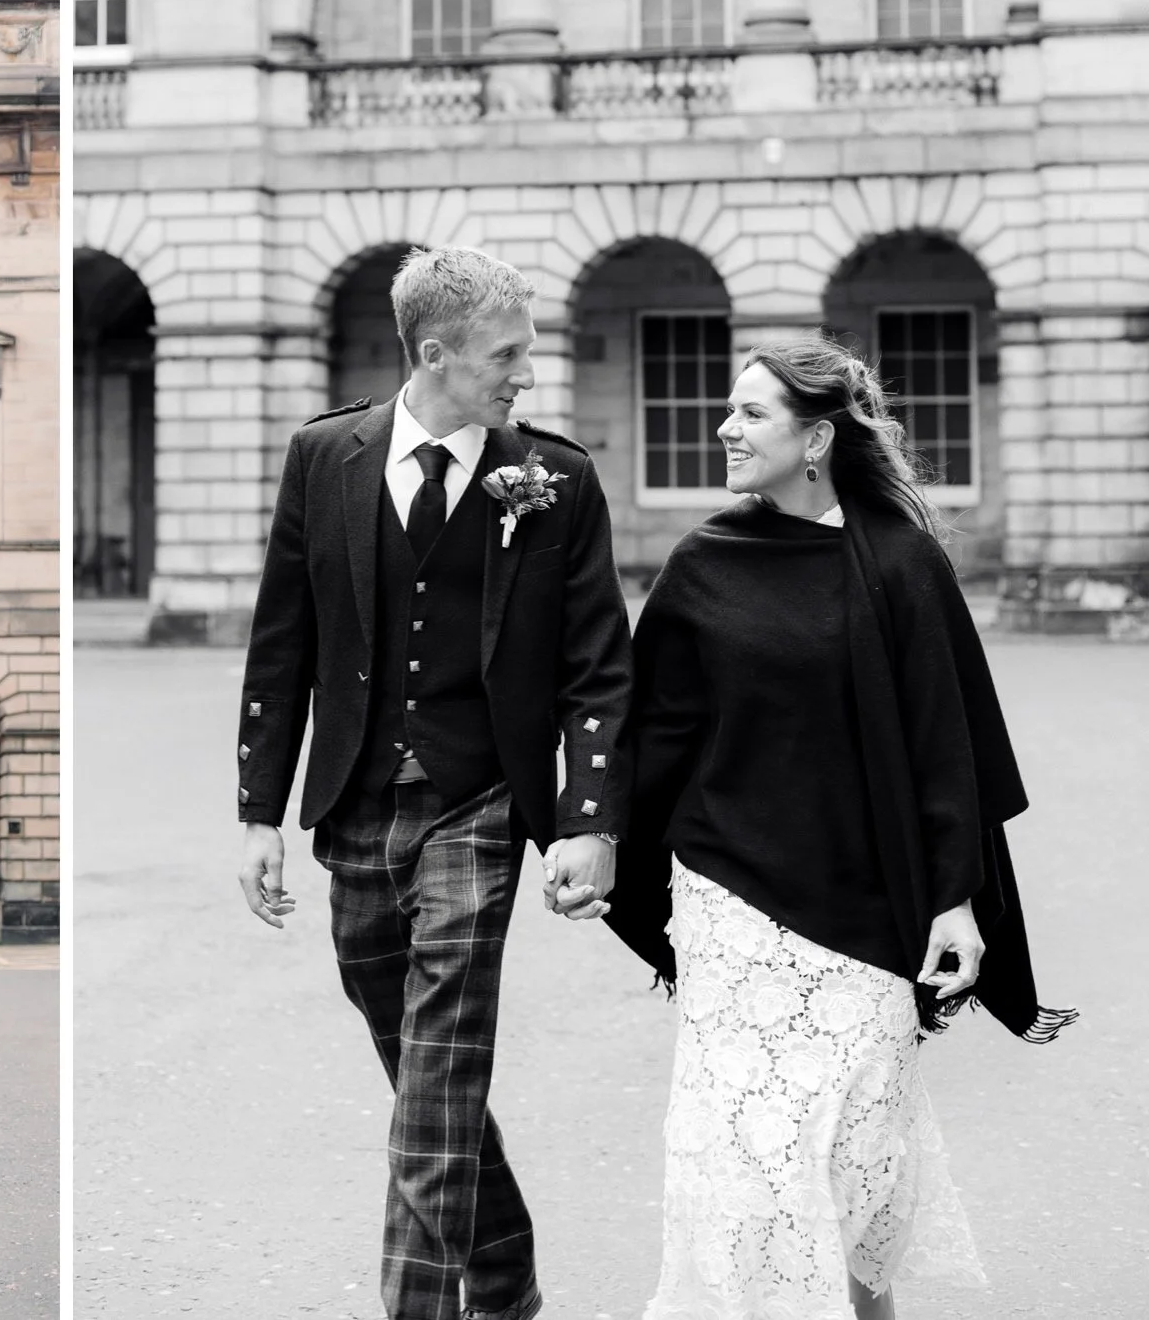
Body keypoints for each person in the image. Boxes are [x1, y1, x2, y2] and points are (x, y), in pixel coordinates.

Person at [621, 338, 1075, 1319]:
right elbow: (648, 737)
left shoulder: (900, 564)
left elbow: (942, 748)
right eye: (727, 409)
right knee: (748, 1170)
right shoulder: (701, 562)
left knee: (854, 1163)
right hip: (728, 906)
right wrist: (598, 850)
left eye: (749, 413)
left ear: (816, 436)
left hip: (867, 916)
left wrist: (953, 900)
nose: (723, 428)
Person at [236, 246, 650, 1320]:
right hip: (354, 800)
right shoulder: (324, 457)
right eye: (506, 354)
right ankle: (502, 1265)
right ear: (435, 354)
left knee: (439, 1065)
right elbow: (282, 642)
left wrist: (586, 821)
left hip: (479, 800)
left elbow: (596, 668)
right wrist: (257, 813)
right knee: (428, 1069)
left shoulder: (554, 477)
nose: (525, 373)